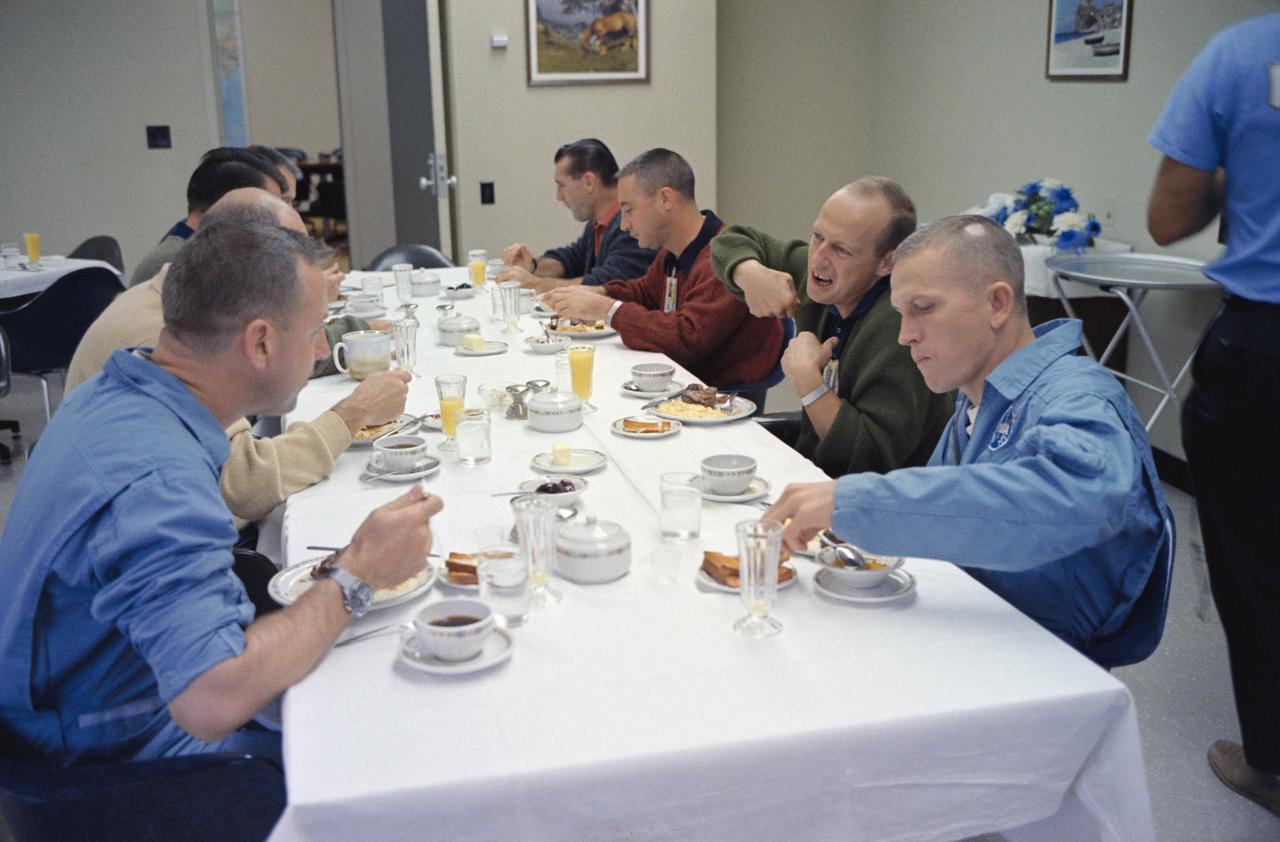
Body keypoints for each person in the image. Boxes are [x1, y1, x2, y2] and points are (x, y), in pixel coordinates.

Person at [0, 218, 443, 766]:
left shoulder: (120, 391)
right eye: (313, 335)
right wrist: (359, 573)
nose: (317, 352)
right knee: (409, 738)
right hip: (117, 764)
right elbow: (212, 696)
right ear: (260, 341)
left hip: (87, 695)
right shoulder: (158, 482)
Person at [765, 215, 1171, 657]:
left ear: (997, 303)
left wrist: (854, 502)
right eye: (901, 314)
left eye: (923, 308)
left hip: (1041, 661)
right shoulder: (976, 397)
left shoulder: (1078, 394)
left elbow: (1078, 497)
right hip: (974, 632)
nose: (905, 335)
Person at [67, 188, 408, 529]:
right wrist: (354, 412)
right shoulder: (170, 486)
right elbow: (246, 484)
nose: (321, 349)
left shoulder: (180, 322)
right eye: (290, 251)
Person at [1147, 12, 1280, 814]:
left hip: (1265, 356)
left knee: (1258, 565)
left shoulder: (1241, 54)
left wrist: (1246, 168)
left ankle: (1270, 763)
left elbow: (1169, 219)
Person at [711, 178, 952, 477]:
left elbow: (869, 459)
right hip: (813, 475)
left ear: (887, 263)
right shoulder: (825, 278)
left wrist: (808, 382)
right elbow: (729, 240)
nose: (819, 258)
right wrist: (748, 272)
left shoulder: (901, 329)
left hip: (874, 503)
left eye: (842, 250)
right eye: (816, 236)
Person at [543, 148, 782, 388]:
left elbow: (686, 338)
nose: (624, 225)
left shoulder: (724, 259)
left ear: (665, 199)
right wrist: (599, 293)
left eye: (628, 209)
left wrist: (607, 309)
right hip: (681, 383)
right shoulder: (673, 253)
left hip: (720, 401)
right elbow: (644, 292)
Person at [497, 138, 655, 293]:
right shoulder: (599, 221)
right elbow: (572, 259)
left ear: (589, 182)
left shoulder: (631, 225)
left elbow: (607, 285)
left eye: (561, 185)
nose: (559, 196)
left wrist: (536, 284)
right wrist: (532, 266)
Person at [129, 147, 286, 286]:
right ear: (228, 203)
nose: (278, 221)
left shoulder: (205, 251)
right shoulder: (175, 263)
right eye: (270, 208)